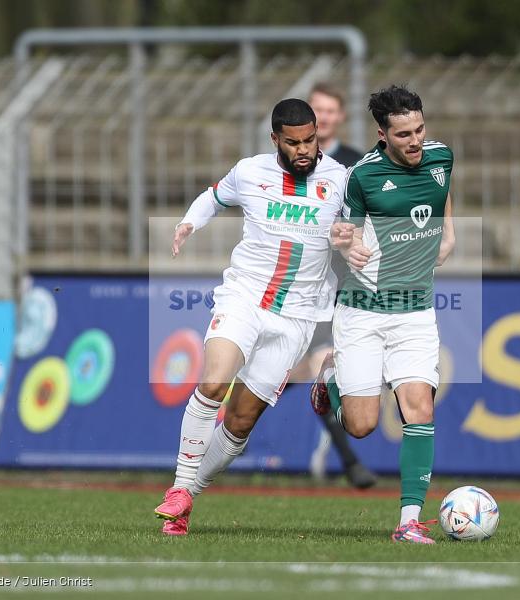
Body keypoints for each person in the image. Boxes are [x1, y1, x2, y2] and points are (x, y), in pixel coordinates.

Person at [154, 99, 352, 536]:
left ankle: (188, 498)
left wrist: (349, 239)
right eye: (293, 142)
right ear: (275, 140)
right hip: (243, 298)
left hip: (298, 317)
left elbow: (357, 232)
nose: (304, 150)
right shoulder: (250, 172)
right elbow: (213, 197)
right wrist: (189, 223)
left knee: (240, 422)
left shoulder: (339, 179)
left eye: (310, 141)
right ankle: (180, 488)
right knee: (213, 382)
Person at [310, 85, 455, 544]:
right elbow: (343, 230)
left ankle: (408, 520)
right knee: (361, 425)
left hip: (415, 311)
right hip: (362, 312)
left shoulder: (441, 157)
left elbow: (443, 193)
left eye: (419, 130)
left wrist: (447, 233)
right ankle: (329, 381)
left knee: (419, 407)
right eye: (404, 134)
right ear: (382, 134)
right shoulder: (362, 175)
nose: (415, 141)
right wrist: (347, 245)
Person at [286, 83, 376, 489]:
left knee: (325, 365)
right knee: (296, 368)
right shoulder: (285, 162)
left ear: (340, 117)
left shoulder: (357, 164)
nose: (322, 118)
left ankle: (348, 459)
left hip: (344, 285)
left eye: (330, 111)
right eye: (316, 110)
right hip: (300, 283)